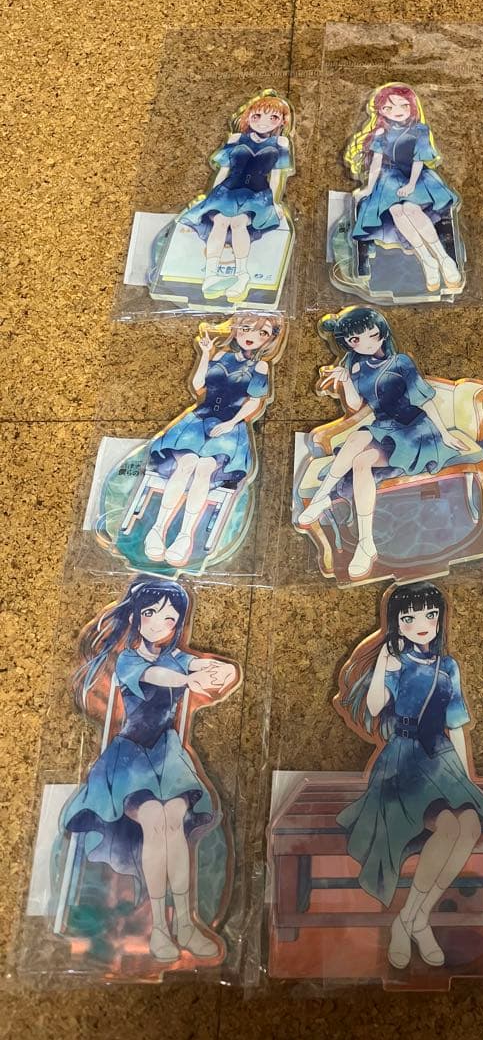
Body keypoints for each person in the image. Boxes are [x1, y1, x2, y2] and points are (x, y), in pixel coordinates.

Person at [60, 577, 240, 962]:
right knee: (156, 819)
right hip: (130, 757)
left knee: (174, 817)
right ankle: (159, 926)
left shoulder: (178, 658)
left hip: (167, 754)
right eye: (151, 614)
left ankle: (185, 923)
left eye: (170, 619)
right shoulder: (130, 659)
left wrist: (218, 673)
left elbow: (218, 671)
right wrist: (188, 679)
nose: (160, 624)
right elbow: (156, 676)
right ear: (136, 617)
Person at [335, 582, 483, 969]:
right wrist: (382, 663)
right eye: (409, 618)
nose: (422, 624)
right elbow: (375, 707)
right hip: (404, 759)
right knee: (448, 825)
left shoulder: (448, 666)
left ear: (440, 619)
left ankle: (412, 918)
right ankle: (413, 921)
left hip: (442, 757)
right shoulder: (397, 662)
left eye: (430, 615)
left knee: (470, 826)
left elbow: (455, 724)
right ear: (397, 625)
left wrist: (467, 780)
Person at [296, 306, 465, 581]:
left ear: (383, 333)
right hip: (384, 427)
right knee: (356, 439)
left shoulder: (401, 362)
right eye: (355, 339)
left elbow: (425, 400)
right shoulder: (355, 364)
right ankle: (322, 500)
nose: (365, 343)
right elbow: (354, 406)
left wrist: (445, 434)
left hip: (415, 430)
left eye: (371, 335)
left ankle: (365, 543)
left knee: (362, 461)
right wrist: (346, 381)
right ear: (348, 343)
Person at [142, 316, 285, 568]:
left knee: (205, 467)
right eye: (246, 328)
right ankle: (158, 528)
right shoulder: (220, 355)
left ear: (270, 339)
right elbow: (199, 386)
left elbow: (254, 401)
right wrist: (205, 354)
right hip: (198, 421)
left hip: (229, 427)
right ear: (236, 330)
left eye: (262, 332)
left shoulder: (261, 366)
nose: (251, 335)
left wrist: (232, 423)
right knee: (187, 462)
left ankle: (185, 535)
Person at [347, 84, 463, 293]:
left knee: (410, 208)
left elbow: (419, 159)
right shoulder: (381, 132)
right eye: (388, 107)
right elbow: (376, 163)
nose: (397, 111)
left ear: (412, 106)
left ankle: (443, 257)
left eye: (403, 105)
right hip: (389, 178)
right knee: (396, 210)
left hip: (415, 175)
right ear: (381, 111)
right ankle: (426, 259)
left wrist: (410, 185)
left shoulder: (420, 130)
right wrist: (368, 188)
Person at [180, 91, 293, 302]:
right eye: (257, 116)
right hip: (228, 190)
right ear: (248, 117)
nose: (263, 122)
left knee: (239, 222)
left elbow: (277, 176)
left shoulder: (281, 143)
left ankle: (242, 274)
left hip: (256, 195)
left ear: (282, 121)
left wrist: (274, 202)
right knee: (221, 221)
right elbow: (223, 170)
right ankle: (210, 275)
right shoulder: (236, 139)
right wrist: (210, 196)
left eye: (273, 117)